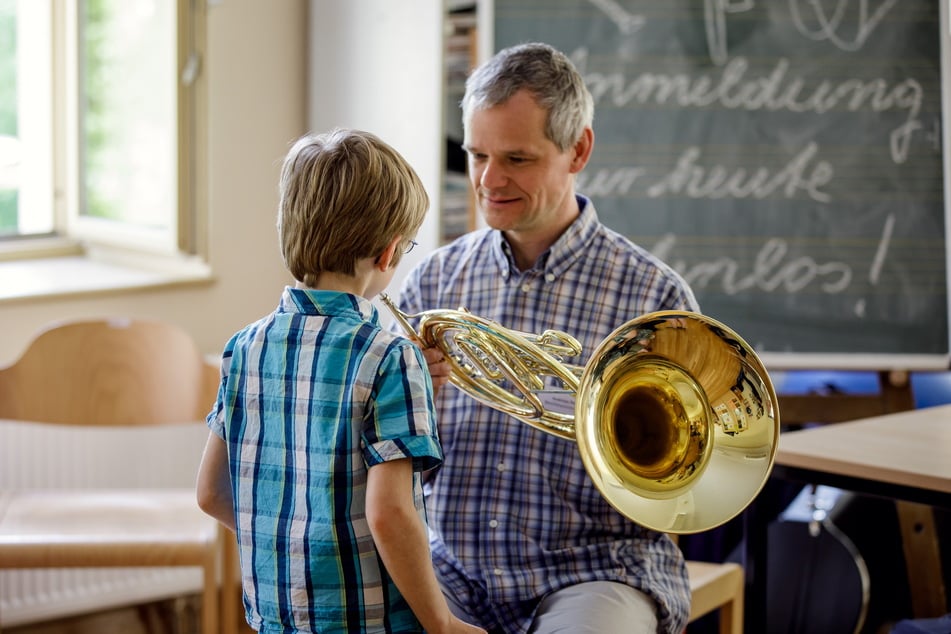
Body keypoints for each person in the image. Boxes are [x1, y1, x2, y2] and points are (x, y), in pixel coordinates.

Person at [392, 43, 699, 634]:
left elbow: (684, 500)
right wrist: (406, 402)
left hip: (596, 572)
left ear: (578, 149)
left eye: (517, 158)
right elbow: (386, 457)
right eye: (476, 154)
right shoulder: (433, 279)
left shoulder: (656, 299)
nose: (488, 179)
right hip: (451, 567)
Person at [196, 128, 486, 634]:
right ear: (389, 252)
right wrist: (441, 623)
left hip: (274, 618)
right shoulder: (392, 358)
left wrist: (294, 543)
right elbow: (390, 514)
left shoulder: (243, 347)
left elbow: (211, 494)